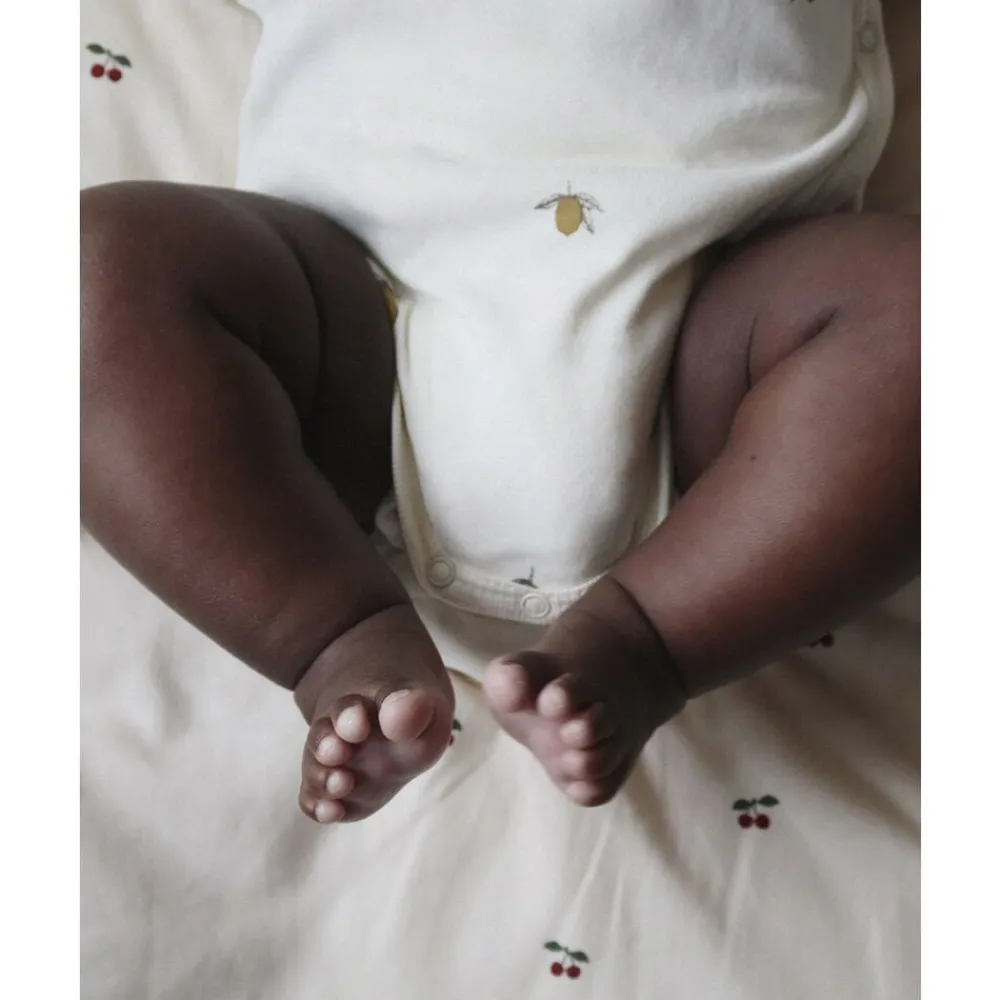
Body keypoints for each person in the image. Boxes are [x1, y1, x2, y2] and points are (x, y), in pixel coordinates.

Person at [81, 0, 918, 824]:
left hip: (718, 330)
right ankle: (334, 638)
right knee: (89, 269)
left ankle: (645, 646)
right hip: (361, 315)